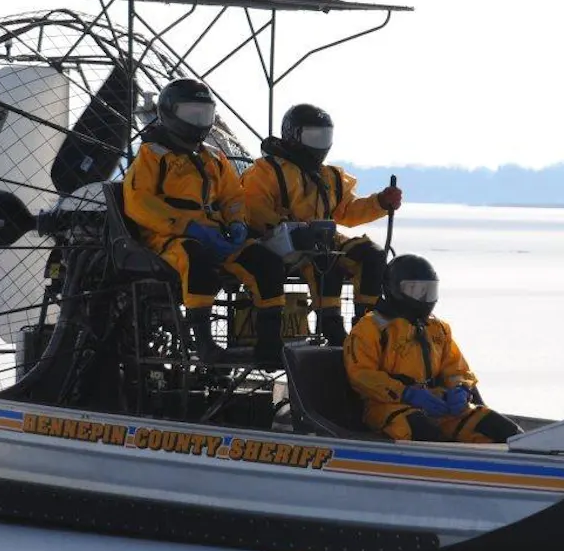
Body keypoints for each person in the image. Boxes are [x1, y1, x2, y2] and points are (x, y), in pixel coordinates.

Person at [122, 78, 287, 367]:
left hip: (214, 234)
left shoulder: (212, 157)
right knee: (198, 261)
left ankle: (269, 345)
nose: (199, 122)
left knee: (267, 263)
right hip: (167, 238)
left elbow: (233, 196)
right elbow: (139, 202)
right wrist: (185, 226)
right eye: (192, 114)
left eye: (205, 114)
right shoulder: (152, 156)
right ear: (169, 113)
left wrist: (237, 224)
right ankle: (205, 344)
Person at [241, 104, 402, 346]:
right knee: (323, 257)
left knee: (372, 255)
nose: (320, 144)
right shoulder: (267, 171)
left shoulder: (330, 177)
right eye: (314, 136)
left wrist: (379, 202)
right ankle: (330, 323)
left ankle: (366, 326)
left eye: (325, 137)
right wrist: (293, 230)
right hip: (281, 242)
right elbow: (254, 209)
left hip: (323, 238)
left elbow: (347, 211)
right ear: (293, 135)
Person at [343, 254, 523, 443]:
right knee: (424, 430)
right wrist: (405, 392)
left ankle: (522, 453)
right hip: (386, 407)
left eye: (428, 291)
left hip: (438, 404)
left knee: (499, 428)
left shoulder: (438, 329)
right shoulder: (370, 329)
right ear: (393, 289)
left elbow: (456, 369)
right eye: (416, 290)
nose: (423, 298)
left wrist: (461, 389)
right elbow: (361, 375)